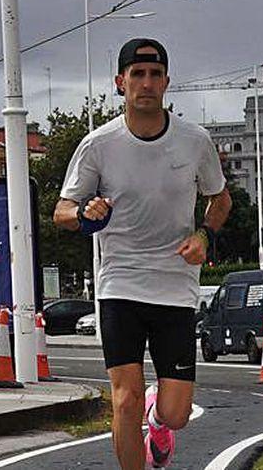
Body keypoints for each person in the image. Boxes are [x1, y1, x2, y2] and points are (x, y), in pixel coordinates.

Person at [55, 38, 231, 469]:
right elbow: (61, 212)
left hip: (174, 287)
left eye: (155, 75)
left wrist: (205, 236)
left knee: (177, 413)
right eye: (137, 75)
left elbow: (220, 200)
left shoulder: (195, 141)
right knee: (124, 399)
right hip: (120, 282)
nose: (146, 83)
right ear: (121, 83)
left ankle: (160, 420)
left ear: (167, 82)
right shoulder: (99, 144)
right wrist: (84, 211)